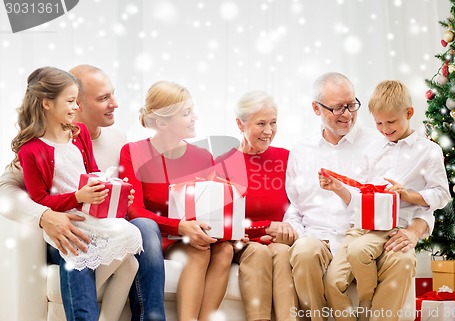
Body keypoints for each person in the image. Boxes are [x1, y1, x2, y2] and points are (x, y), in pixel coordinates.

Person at [0, 64, 167, 321]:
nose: (115, 104)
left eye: (113, 94)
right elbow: (9, 190)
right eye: (103, 98)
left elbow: (100, 177)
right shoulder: (34, 148)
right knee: (74, 248)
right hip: (68, 224)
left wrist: (120, 196)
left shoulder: (108, 137)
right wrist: (44, 215)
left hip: (99, 220)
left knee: (141, 231)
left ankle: (151, 318)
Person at [283, 72, 434, 321]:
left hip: (371, 235)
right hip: (318, 236)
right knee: (304, 252)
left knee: (403, 260)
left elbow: (416, 197)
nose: (348, 114)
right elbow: (295, 207)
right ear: (316, 109)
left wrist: (414, 231)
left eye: (352, 104)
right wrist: (291, 228)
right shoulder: (300, 152)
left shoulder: (383, 139)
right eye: (338, 108)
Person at [318, 80, 451, 321]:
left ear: (409, 113)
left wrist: (407, 195)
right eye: (379, 123)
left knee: (399, 262)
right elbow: (359, 198)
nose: (384, 129)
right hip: (362, 227)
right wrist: (339, 189)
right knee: (332, 281)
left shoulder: (428, 151)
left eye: (391, 122)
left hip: (395, 228)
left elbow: (441, 194)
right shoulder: (373, 149)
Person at [119, 80, 234, 321]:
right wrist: (180, 226)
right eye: (186, 113)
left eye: (192, 110)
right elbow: (134, 211)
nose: (195, 118)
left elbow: (214, 206)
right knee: (200, 251)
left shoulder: (203, 156)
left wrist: (229, 223)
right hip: (156, 238)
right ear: (162, 122)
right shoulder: (133, 152)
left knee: (224, 250)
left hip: (191, 235)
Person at [215, 91, 298, 321]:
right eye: (261, 123)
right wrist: (263, 228)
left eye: (273, 122)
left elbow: (300, 205)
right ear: (240, 124)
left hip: (279, 240)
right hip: (243, 243)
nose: (269, 131)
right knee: (259, 252)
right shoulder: (223, 164)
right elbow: (220, 220)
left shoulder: (286, 158)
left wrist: (288, 227)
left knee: (282, 253)